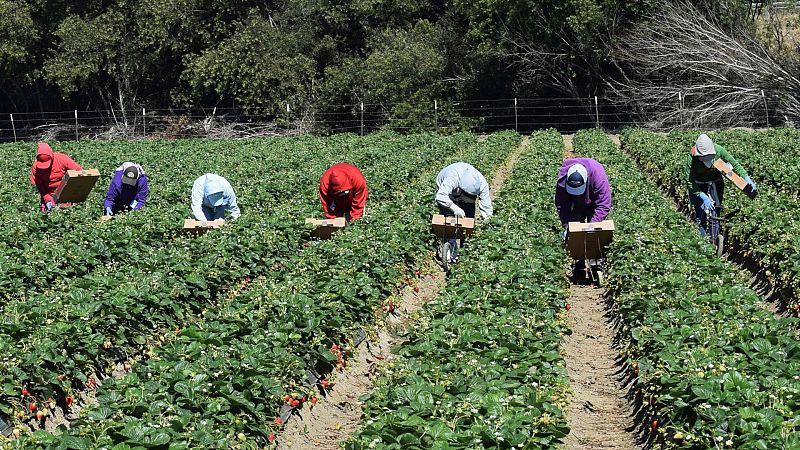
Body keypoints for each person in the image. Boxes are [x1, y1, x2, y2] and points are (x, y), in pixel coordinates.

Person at [687, 133, 756, 236]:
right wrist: (703, 196)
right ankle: (702, 240)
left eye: (709, 156)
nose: (707, 158)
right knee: (700, 214)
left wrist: (746, 178)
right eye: (703, 157)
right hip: (698, 184)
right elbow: (690, 181)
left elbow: (735, 164)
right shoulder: (692, 158)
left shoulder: (719, 150)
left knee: (716, 212)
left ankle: (714, 239)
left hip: (715, 181)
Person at [434, 162, 492, 264]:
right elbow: (440, 196)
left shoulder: (482, 183)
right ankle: (451, 248)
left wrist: (487, 221)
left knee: (468, 221)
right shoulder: (452, 178)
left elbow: (486, 206)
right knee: (449, 220)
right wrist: (453, 207)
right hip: (446, 192)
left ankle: (465, 248)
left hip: (461, 191)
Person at [555, 158, 612, 240]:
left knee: (594, 235)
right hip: (575, 203)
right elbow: (562, 204)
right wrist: (567, 225)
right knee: (574, 231)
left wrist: (593, 225)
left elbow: (603, 204)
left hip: (593, 200)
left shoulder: (598, 176)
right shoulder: (563, 179)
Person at [30, 142, 83, 211]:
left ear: (52, 158)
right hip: (49, 194)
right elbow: (39, 184)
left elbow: (79, 171)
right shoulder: (35, 166)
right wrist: (45, 196)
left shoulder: (62, 159)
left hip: (65, 193)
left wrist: (73, 192)